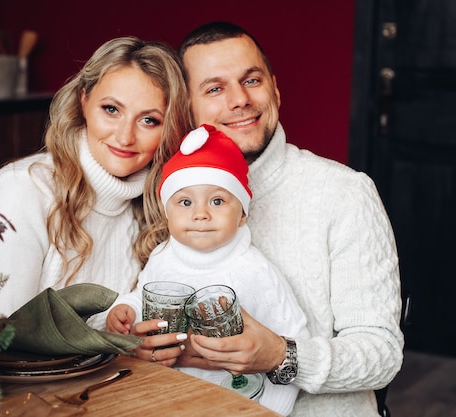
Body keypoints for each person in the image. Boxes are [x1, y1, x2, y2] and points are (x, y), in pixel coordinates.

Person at [158, 21, 404, 416]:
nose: (239, 99)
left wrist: (281, 356)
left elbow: (382, 355)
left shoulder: (344, 193)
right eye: (215, 88)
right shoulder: (172, 198)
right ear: (187, 107)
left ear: (274, 88)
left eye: (251, 80)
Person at [0, 36, 191, 331]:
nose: (124, 137)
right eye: (111, 110)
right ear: (84, 101)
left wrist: (135, 342)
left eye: (149, 120)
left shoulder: (156, 205)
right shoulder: (21, 190)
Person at [106, 124, 310, 416]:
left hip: (234, 406)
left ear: (241, 215)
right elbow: (145, 295)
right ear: (167, 212)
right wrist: (125, 310)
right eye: (185, 202)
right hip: (166, 400)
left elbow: (290, 343)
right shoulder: (163, 256)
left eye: (217, 201)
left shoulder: (255, 272)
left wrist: (271, 411)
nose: (200, 214)